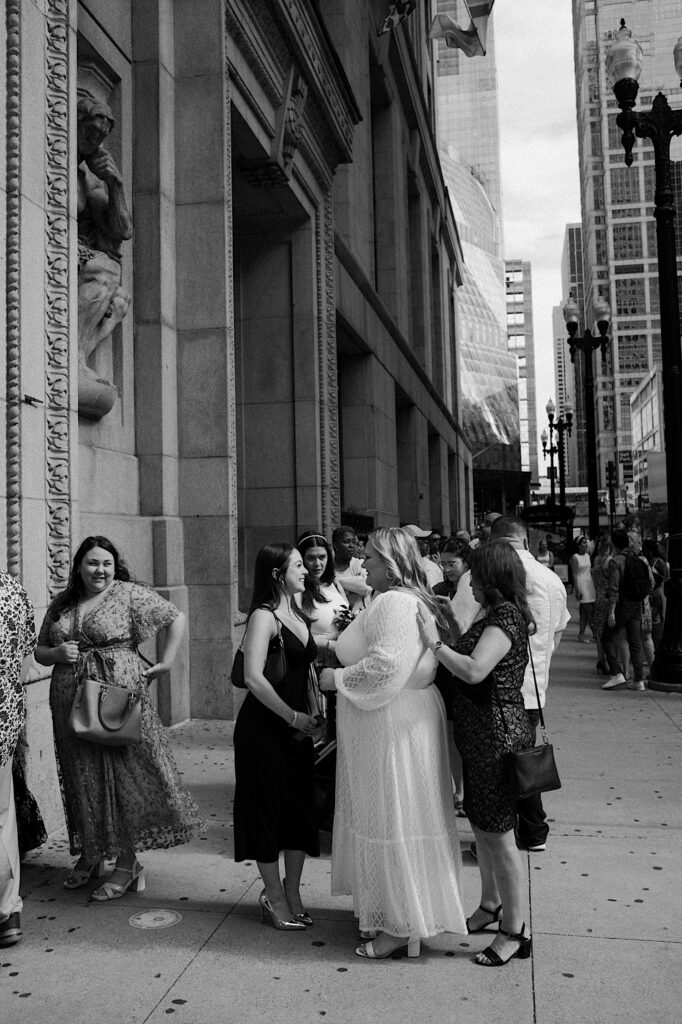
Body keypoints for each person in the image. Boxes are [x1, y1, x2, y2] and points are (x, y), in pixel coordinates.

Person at [319, 528, 466, 959]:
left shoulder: (395, 601)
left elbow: (387, 666)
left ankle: (402, 923)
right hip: (395, 719)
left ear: (391, 562)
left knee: (393, 815)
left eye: (369, 557)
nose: (362, 565)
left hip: (392, 723)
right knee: (393, 813)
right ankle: (392, 913)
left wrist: (338, 679)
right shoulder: (404, 600)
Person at [35, 537, 204, 900]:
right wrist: (56, 651)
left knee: (121, 776)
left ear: (115, 566)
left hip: (116, 697)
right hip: (69, 699)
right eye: (93, 563)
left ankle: (127, 865)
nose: (101, 570)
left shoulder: (128, 594)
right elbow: (39, 650)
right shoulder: (63, 603)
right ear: (79, 566)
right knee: (81, 776)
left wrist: (167, 662)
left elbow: (176, 617)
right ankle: (92, 854)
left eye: (107, 563)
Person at [417, 540, 535, 968]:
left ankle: (515, 930)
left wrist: (433, 643)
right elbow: (466, 652)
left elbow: (472, 669)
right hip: (481, 735)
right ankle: (491, 906)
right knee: (485, 830)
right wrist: (449, 623)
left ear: (492, 578)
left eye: (476, 575)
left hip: (495, 739)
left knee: (500, 837)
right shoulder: (491, 615)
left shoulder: (504, 620)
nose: (470, 582)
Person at [232, 544, 322, 931]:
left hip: (299, 730)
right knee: (266, 812)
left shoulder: (298, 613)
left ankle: (293, 889)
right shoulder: (263, 617)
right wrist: (293, 717)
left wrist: (313, 715)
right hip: (264, 731)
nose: (306, 570)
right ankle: (273, 893)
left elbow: (307, 670)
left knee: (300, 811)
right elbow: (253, 678)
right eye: (298, 565)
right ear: (276, 573)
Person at [490, 517, 569, 852]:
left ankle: (507, 835)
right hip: (534, 686)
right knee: (520, 758)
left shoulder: (495, 574)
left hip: (501, 687)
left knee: (499, 766)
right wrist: (542, 659)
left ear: (497, 540)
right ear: (523, 539)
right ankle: (534, 831)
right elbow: (558, 631)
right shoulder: (552, 579)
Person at [0, 573, 37, 948]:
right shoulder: (11, 589)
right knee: (2, 816)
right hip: (3, 721)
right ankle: (6, 912)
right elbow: (26, 661)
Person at [600, 529, 651, 691]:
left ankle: (617, 673)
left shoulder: (616, 561)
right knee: (635, 642)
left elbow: (614, 588)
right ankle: (638, 680)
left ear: (613, 543)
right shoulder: (637, 559)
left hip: (622, 605)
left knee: (606, 637)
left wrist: (611, 611)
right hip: (637, 604)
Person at [297, 532, 352, 666]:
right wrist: (330, 644)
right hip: (313, 668)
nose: (317, 563)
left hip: (342, 664)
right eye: (311, 558)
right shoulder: (297, 590)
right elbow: (294, 636)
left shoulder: (335, 584)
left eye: (322, 557)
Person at [332, 527, 371, 611]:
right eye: (346, 542)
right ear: (335, 545)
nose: (351, 546)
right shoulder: (328, 568)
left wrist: (337, 581)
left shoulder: (359, 564)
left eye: (353, 542)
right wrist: (353, 584)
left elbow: (366, 586)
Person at [592, 535, 615, 675]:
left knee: (599, 633)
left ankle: (601, 661)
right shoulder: (610, 561)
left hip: (598, 597)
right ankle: (610, 662)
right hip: (607, 598)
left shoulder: (596, 560)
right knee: (610, 634)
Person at [642, 538, 668, 647]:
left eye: (645, 549)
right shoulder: (645, 561)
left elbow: (666, 578)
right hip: (650, 597)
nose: (643, 551)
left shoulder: (659, 562)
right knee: (650, 625)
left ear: (651, 550)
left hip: (658, 595)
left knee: (658, 624)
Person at [569, 536, 596, 642]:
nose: (586, 544)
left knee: (584, 612)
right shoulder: (574, 557)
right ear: (579, 545)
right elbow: (574, 574)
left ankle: (581, 634)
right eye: (584, 543)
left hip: (589, 584)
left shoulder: (588, 555)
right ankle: (595, 632)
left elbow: (589, 570)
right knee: (589, 610)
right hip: (581, 585)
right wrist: (577, 589)